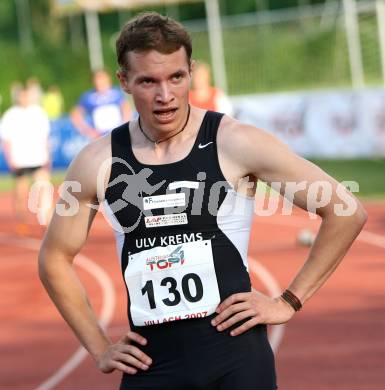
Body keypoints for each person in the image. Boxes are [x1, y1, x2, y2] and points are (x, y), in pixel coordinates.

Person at [39, 12, 367, 390]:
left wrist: (288, 300)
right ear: (124, 82)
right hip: (152, 366)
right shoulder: (98, 161)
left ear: (191, 71)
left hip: (236, 361)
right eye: (148, 81)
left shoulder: (235, 142)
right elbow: (54, 257)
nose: (165, 95)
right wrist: (98, 348)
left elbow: (345, 211)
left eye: (176, 77)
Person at [0, 87, 52, 233]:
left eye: (26, 96)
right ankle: (22, 221)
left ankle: (45, 221)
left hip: (38, 158)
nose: (24, 99)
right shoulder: (10, 115)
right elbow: (6, 140)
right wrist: (10, 159)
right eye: (21, 96)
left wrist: (48, 155)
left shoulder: (38, 112)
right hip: (20, 160)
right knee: (21, 194)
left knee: (43, 189)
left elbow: (45, 136)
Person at [71, 69, 133, 138]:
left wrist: (124, 126)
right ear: (93, 82)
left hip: (118, 133)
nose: (101, 83)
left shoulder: (117, 93)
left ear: (109, 80)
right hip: (100, 137)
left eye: (103, 80)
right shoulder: (88, 97)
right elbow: (75, 115)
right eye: (98, 80)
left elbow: (126, 109)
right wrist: (89, 131)